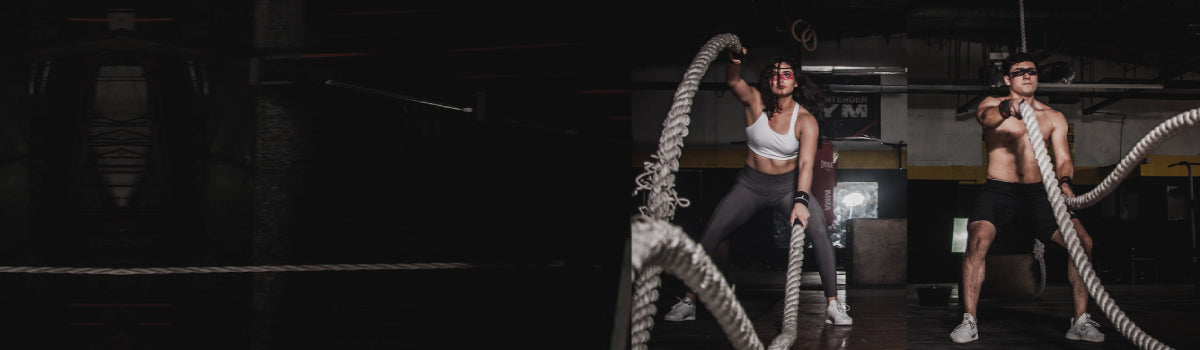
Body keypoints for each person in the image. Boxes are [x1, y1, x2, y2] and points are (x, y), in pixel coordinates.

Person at [663, 47, 852, 326]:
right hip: (750, 184)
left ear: (795, 81)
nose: (780, 79)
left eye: (786, 74)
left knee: (820, 231)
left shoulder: (805, 120)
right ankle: (689, 301)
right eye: (774, 75)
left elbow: (806, 165)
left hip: (788, 187)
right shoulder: (754, 101)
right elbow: (733, 81)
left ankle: (834, 306)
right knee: (712, 231)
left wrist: (801, 200)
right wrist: (734, 59)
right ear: (768, 81)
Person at [950, 52, 1104, 343]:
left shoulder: (1054, 117)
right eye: (1019, 72)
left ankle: (1080, 321)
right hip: (999, 190)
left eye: (1031, 71)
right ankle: (969, 320)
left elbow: (1063, 159)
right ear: (1008, 79)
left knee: (1083, 243)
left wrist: (1065, 182)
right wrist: (1011, 108)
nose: (1027, 75)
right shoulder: (992, 105)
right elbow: (986, 119)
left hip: (1039, 193)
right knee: (977, 240)